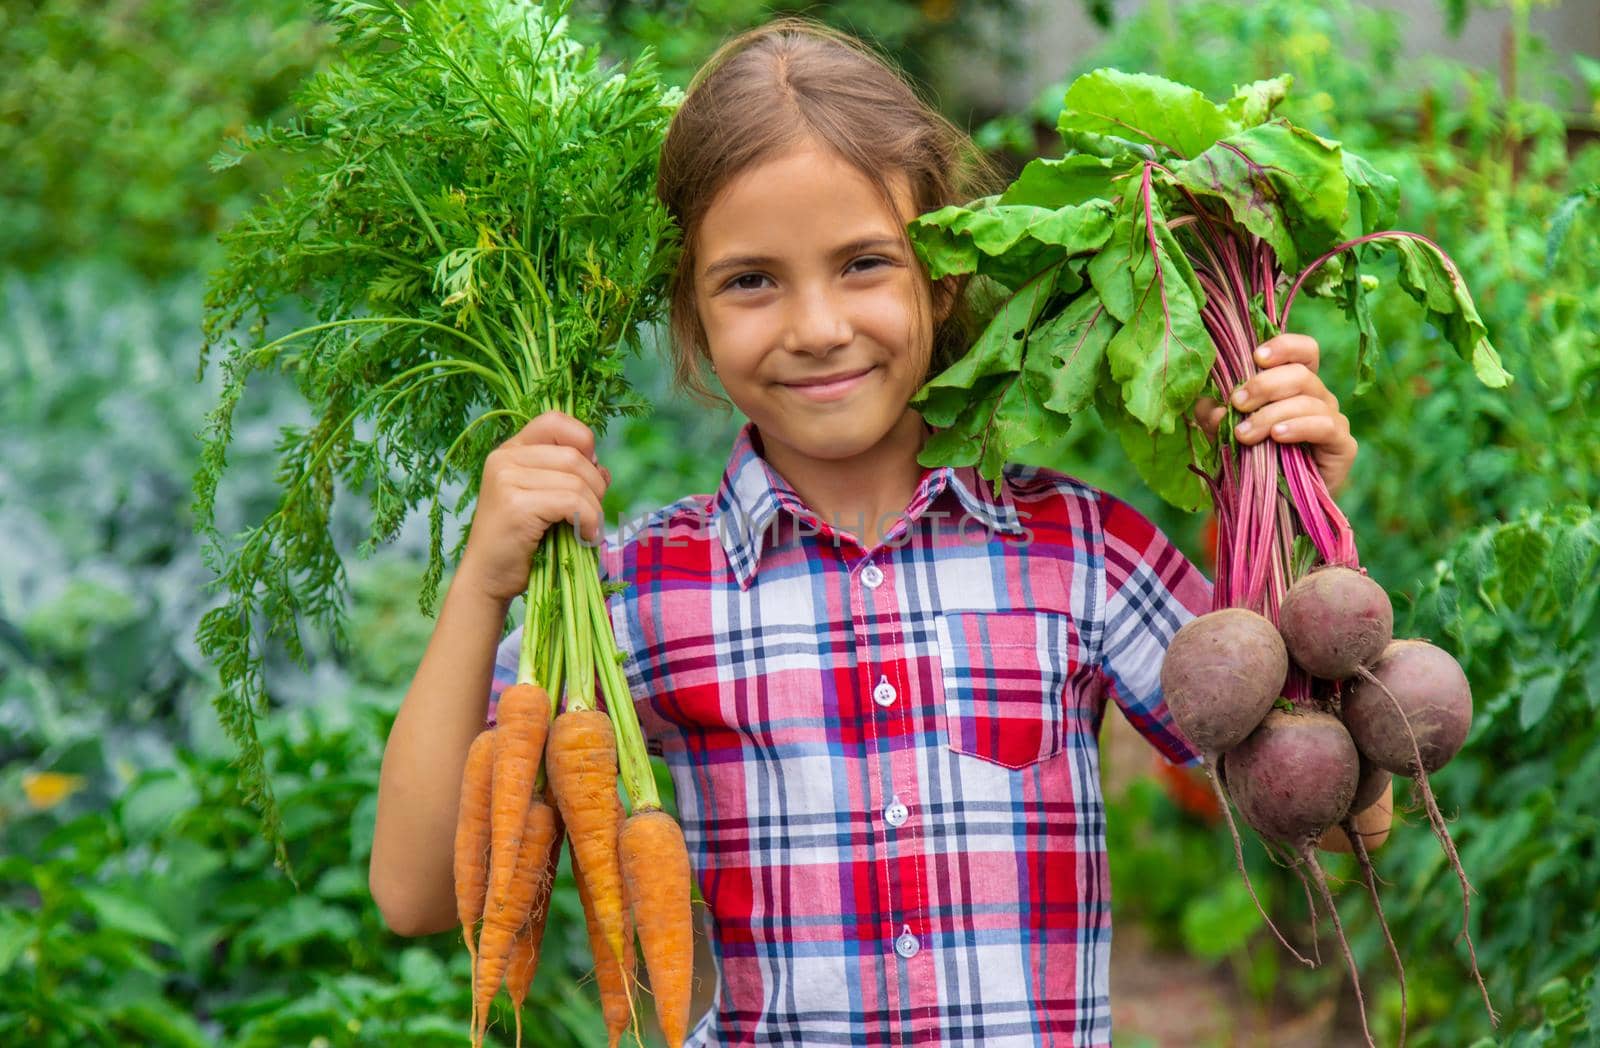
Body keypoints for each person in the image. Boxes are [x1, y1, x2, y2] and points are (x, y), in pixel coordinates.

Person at [370, 18, 1392, 1046]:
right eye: (750, 280)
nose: (816, 326)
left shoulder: (1080, 551)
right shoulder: (642, 590)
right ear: (693, 313)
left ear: (943, 274)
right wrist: (481, 586)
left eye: (863, 263)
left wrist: (1299, 531)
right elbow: (415, 893)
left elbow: (1344, 826)